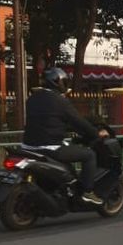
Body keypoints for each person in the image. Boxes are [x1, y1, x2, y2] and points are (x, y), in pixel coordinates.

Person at [22, 67, 104, 205]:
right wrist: (96, 133)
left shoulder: (32, 99)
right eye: (64, 82)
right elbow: (79, 122)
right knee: (89, 155)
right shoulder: (60, 101)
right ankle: (87, 192)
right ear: (57, 82)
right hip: (50, 147)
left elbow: (46, 119)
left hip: (27, 147)